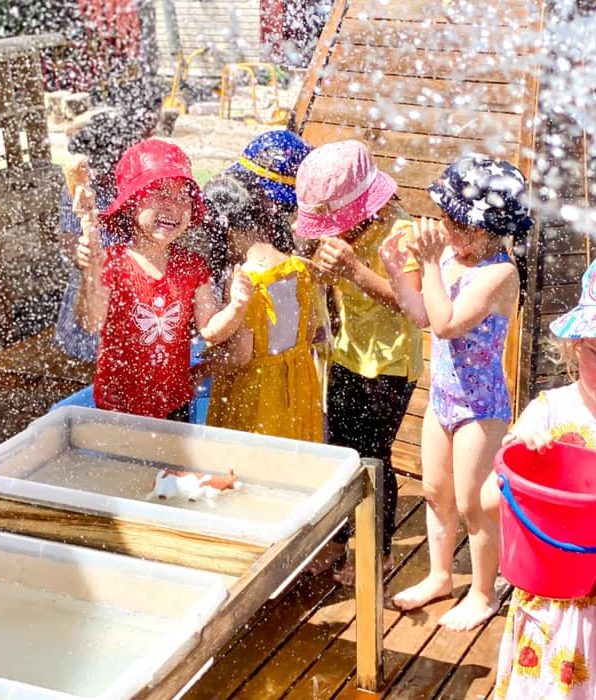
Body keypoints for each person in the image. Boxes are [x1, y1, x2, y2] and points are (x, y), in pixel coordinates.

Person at [387, 154, 533, 631]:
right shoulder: (450, 258)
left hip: (481, 408)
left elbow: (447, 325)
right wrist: (396, 270)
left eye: (456, 224)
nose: (447, 232)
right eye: (445, 221)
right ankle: (440, 575)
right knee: (435, 492)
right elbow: (423, 315)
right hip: (443, 399)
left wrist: (428, 263)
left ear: (487, 227)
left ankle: (484, 592)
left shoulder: (499, 274)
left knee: (475, 504)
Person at [294, 140, 424, 583]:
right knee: (340, 450)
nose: (333, 231)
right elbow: (334, 291)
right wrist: (325, 286)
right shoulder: (343, 235)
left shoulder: (399, 234)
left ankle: (377, 550)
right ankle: (337, 538)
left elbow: (414, 306)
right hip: (347, 353)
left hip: (387, 364)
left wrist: (354, 270)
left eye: (338, 221)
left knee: (372, 457)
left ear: (369, 207)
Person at [75, 138, 253, 420]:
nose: (172, 207)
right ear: (131, 202)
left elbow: (209, 330)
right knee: (127, 464)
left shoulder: (192, 266)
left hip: (175, 402)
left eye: (183, 197)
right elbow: (91, 322)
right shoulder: (112, 262)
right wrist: (91, 275)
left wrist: (236, 307)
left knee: (171, 464)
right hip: (118, 406)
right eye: (160, 193)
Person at [492, 259, 596, 700]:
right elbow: (481, 502)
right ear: (575, 347)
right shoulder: (549, 412)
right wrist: (516, 453)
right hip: (551, 614)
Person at [201, 170, 324, 442]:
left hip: (257, 396)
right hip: (299, 386)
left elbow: (240, 355)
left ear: (223, 229)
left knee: (249, 468)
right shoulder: (297, 268)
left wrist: (202, 370)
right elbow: (308, 331)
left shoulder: (243, 281)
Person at [54, 84, 163, 362]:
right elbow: (68, 241)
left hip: (141, 281)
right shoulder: (78, 186)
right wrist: (85, 253)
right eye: (94, 166)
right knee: (101, 351)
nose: (98, 173)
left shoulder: (140, 181)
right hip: (95, 282)